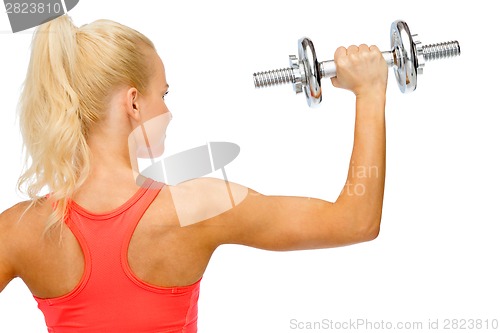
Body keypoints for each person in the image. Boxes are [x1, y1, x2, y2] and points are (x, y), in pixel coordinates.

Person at [0, 14, 387, 333]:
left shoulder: (21, 228)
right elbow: (355, 221)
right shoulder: (196, 207)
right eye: (163, 94)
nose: (169, 113)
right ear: (133, 103)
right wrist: (369, 93)